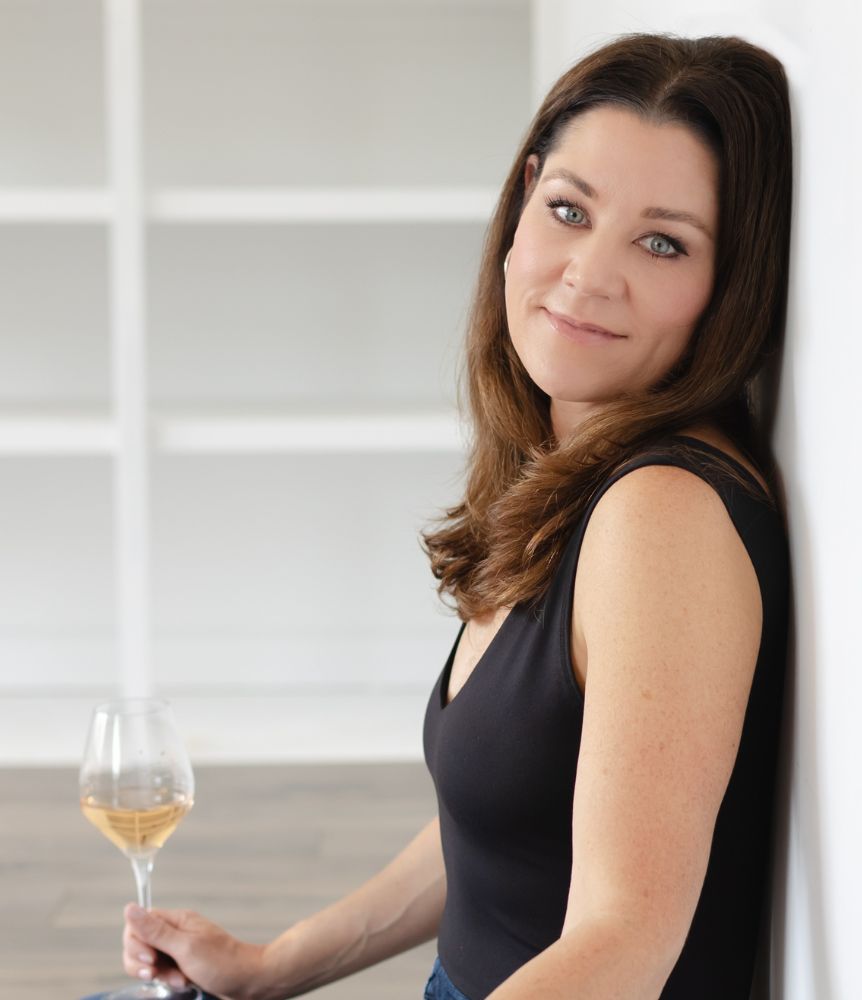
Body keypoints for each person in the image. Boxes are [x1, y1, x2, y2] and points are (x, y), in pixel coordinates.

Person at [86, 30, 793, 1000]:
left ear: (729, 286)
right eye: (570, 210)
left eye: (663, 241)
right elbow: (502, 832)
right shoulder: (572, 473)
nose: (589, 273)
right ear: (523, 201)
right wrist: (268, 967)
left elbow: (626, 941)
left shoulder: (662, 515)